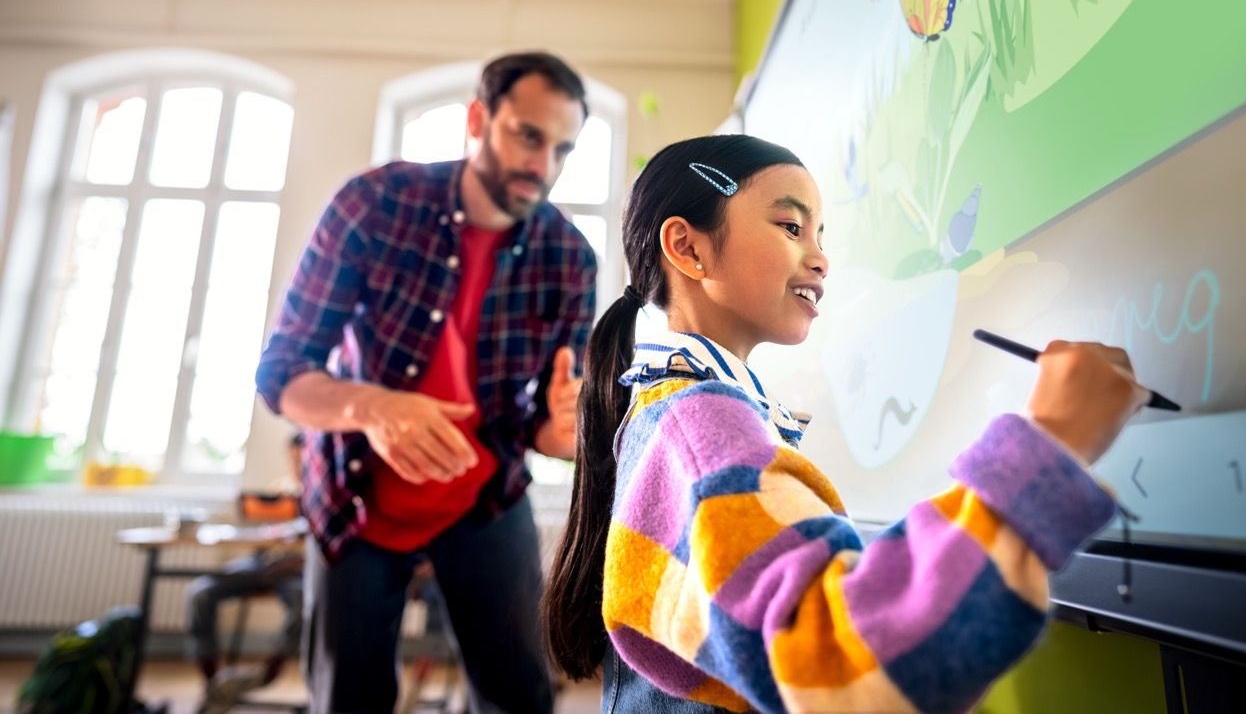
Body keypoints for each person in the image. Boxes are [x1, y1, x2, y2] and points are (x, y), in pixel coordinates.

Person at [543, 135, 1148, 713]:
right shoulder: (700, 427)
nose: (821, 257)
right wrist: (1050, 441)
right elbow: (850, 669)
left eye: (821, 234)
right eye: (790, 227)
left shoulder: (675, 411)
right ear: (690, 249)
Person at [256, 51, 597, 713]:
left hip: (487, 501)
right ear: (478, 118)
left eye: (563, 149)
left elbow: (555, 428)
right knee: (349, 697)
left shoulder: (570, 257)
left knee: (522, 694)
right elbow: (283, 372)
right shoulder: (375, 204)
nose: (543, 164)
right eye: (529, 135)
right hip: (354, 499)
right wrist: (372, 405)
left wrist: (565, 434)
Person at [186, 432, 305, 708]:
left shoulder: (326, 496)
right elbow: (263, 534)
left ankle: (267, 673)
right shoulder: (281, 492)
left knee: (304, 603)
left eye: (304, 460)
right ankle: (214, 685)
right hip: (263, 562)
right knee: (200, 592)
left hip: (297, 570)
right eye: (294, 460)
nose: (298, 467)